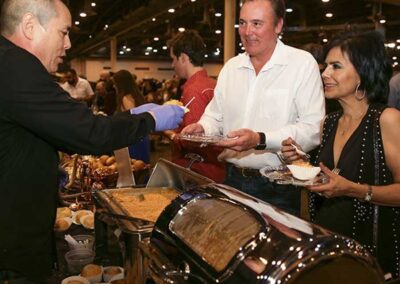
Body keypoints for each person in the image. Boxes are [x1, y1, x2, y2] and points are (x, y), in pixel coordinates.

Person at [0, 0, 184, 282]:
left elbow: (51, 124)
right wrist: (151, 121)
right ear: (29, 26)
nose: (69, 44)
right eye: (63, 32)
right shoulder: (16, 67)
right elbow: (90, 133)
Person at [182, 0, 325, 215]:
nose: (247, 32)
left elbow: (312, 129)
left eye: (257, 23)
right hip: (232, 179)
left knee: (274, 248)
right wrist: (203, 128)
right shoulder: (232, 68)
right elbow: (215, 116)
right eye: (242, 23)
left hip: (278, 184)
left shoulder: (301, 65)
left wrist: (260, 139)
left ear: (278, 26)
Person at [281, 31, 400, 279]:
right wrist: (300, 163)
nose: (325, 73)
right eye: (325, 66)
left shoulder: (386, 120)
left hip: (372, 252)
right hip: (332, 247)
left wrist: (354, 190)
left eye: (336, 66)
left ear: (363, 73)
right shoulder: (330, 122)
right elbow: (333, 175)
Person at [165, 30, 225, 182]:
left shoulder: (194, 90)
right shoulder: (212, 83)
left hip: (199, 172)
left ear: (183, 58)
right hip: (216, 168)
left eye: (173, 59)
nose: (173, 65)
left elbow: (193, 139)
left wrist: (168, 133)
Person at [113, 69, 150, 163]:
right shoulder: (136, 95)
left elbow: (133, 120)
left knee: (135, 169)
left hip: (133, 140)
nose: (114, 86)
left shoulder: (125, 98)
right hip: (140, 137)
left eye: (115, 83)